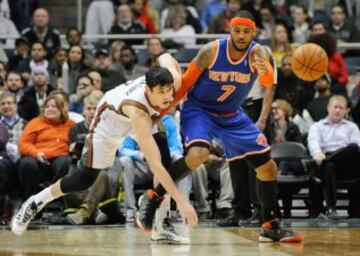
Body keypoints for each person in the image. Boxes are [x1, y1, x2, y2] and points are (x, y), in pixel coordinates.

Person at [136, 10, 303, 243]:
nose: (241, 35)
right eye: (237, 30)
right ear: (230, 30)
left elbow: (268, 86)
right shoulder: (211, 51)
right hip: (200, 110)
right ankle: (153, 197)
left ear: (253, 32)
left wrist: (265, 73)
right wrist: (161, 114)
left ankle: (270, 225)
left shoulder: (260, 53)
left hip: (232, 115)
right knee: (198, 155)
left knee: (268, 168)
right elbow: (184, 85)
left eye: (246, 31)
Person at [11, 54, 198, 240]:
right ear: (148, 90)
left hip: (136, 115)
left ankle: (161, 227)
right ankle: (34, 203)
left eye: (169, 91)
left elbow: (165, 56)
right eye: (161, 92)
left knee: (164, 154)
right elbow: (153, 164)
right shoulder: (138, 111)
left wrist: (174, 77)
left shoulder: (172, 81)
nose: (167, 97)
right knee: (83, 180)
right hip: (109, 123)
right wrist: (182, 202)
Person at [306, 95, 360, 219]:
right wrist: (317, 154)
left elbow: (357, 147)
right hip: (326, 168)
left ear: (346, 111)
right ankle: (331, 208)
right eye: (335, 107)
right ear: (328, 108)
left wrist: (325, 157)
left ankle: (328, 158)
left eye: (341, 108)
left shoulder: (352, 127)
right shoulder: (317, 126)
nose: (337, 110)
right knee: (330, 165)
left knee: (353, 147)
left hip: (348, 166)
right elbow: (313, 142)